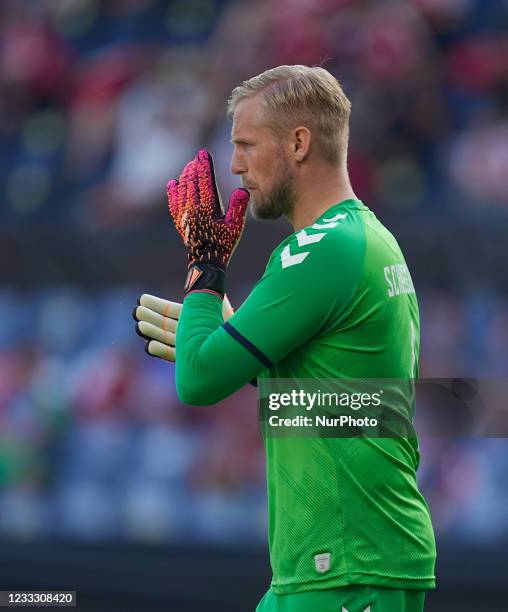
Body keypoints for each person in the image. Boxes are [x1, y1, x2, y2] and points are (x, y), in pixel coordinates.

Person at [134, 65, 436, 612]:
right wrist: (231, 343)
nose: (235, 165)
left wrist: (205, 269)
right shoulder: (367, 238)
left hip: (345, 563)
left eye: (247, 144)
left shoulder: (321, 249)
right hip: (341, 561)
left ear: (299, 143)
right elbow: (347, 402)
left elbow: (198, 382)